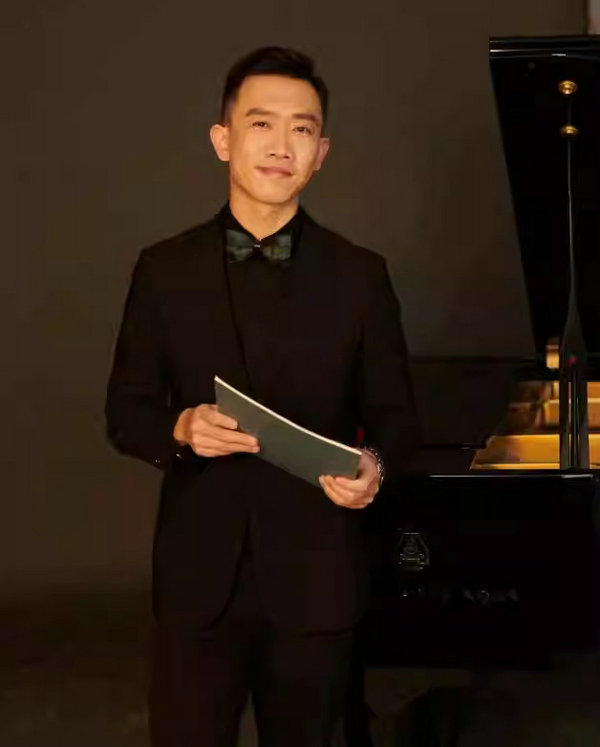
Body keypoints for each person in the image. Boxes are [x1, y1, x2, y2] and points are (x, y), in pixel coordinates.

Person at [105, 46, 417, 747]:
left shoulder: (361, 276)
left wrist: (375, 466)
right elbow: (125, 412)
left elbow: (398, 419)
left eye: (302, 129)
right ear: (223, 140)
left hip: (317, 577)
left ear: (321, 153)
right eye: (261, 124)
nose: (282, 145)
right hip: (197, 580)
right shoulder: (163, 270)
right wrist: (181, 426)